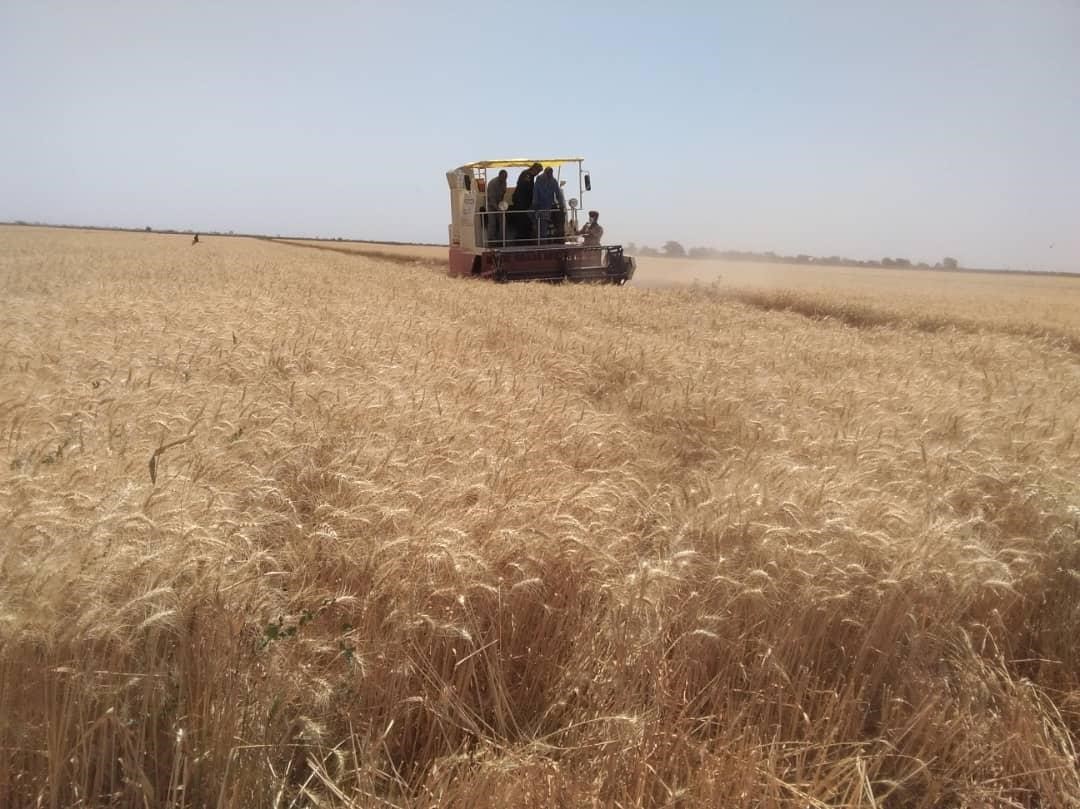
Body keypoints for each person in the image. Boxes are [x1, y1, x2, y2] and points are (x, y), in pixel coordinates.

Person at [531, 166, 565, 243]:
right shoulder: (539, 180)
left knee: (560, 215)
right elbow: (535, 193)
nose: (550, 175)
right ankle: (542, 240)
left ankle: (560, 237)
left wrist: (561, 204)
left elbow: (558, 194)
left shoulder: (553, 181)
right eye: (548, 173)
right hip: (540, 206)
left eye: (551, 173)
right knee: (541, 221)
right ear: (545, 173)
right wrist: (535, 204)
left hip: (550, 205)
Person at [509, 163, 541, 243]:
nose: (538, 173)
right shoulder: (527, 175)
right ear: (534, 169)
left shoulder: (530, 175)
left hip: (525, 202)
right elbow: (524, 188)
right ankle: (522, 239)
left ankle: (525, 238)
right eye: (538, 171)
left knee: (526, 220)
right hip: (521, 201)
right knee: (522, 220)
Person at [485, 169, 508, 245]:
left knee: (503, 222)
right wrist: (497, 209)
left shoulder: (504, 182)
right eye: (503, 177)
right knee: (492, 223)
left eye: (505, 177)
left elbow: (503, 194)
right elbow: (491, 199)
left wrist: (502, 206)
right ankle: (491, 241)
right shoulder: (492, 184)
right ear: (499, 176)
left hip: (499, 204)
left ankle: (502, 240)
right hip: (491, 205)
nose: (504, 179)